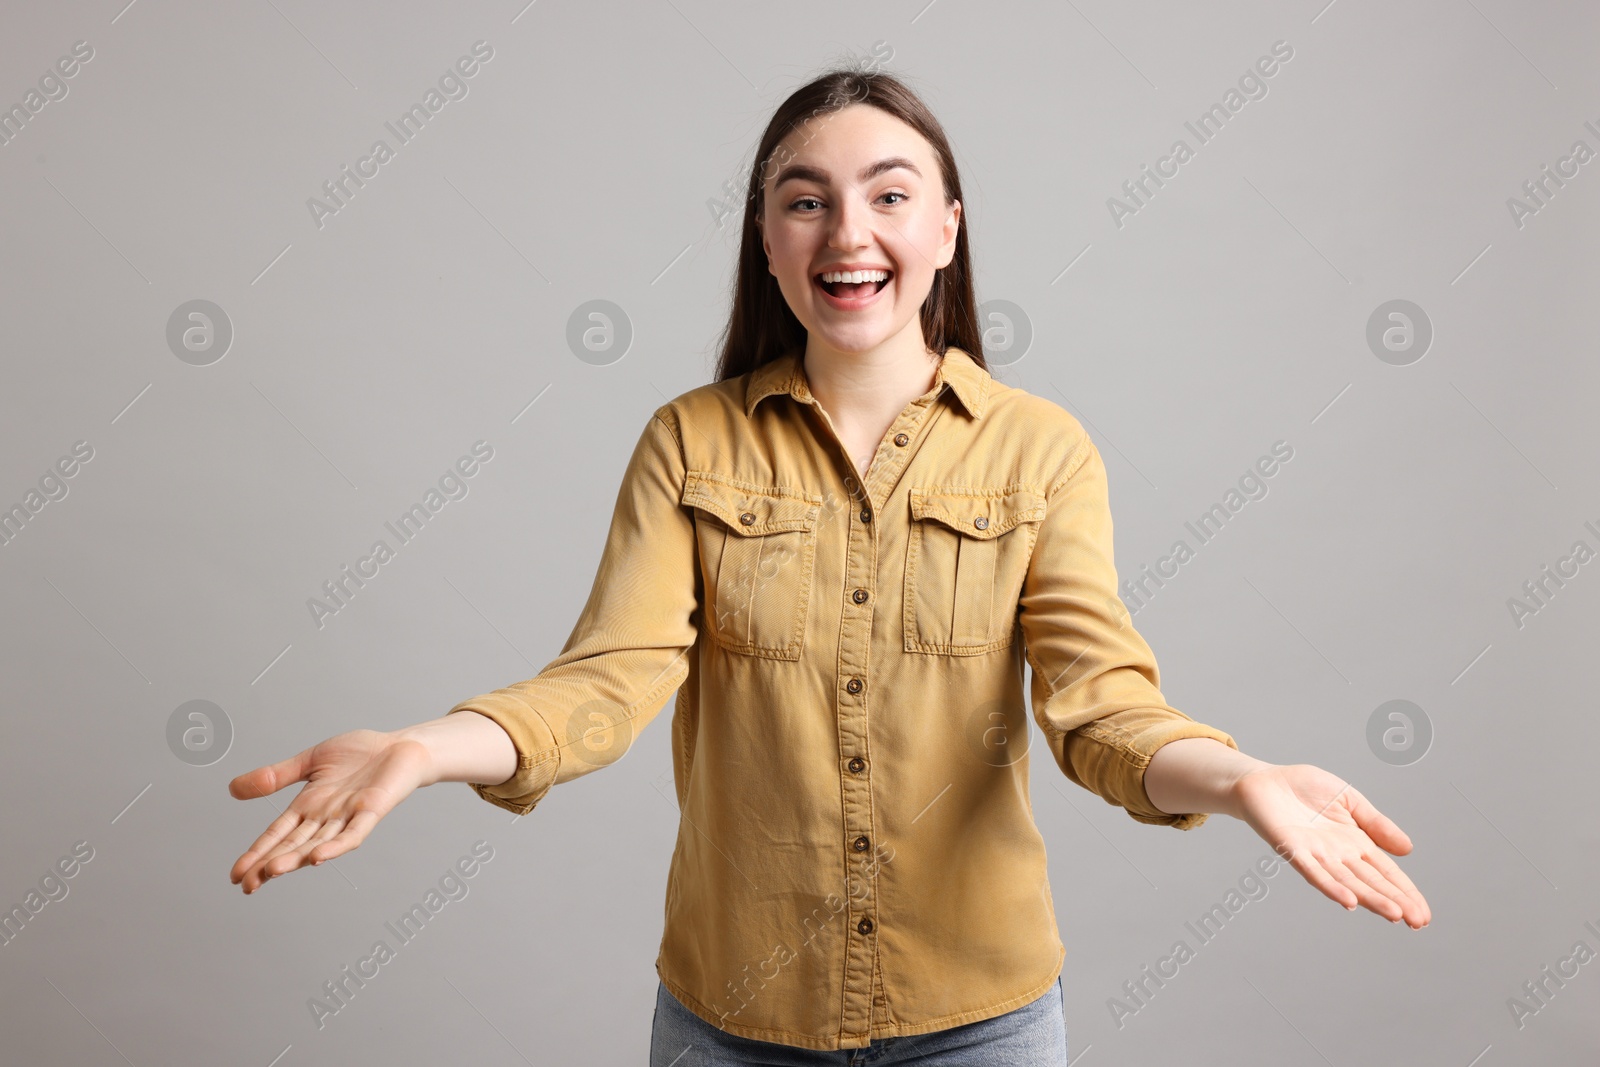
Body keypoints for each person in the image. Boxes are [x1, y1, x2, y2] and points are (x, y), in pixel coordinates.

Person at [229, 64, 1430, 1065]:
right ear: (766, 236)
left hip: (980, 1022)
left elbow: (1098, 706)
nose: (847, 232)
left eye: (889, 196)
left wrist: (1241, 780)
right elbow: (605, 683)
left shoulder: (1041, 450)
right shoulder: (690, 441)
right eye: (805, 201)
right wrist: (425, 747)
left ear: (946, 227)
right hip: (729, 1020)